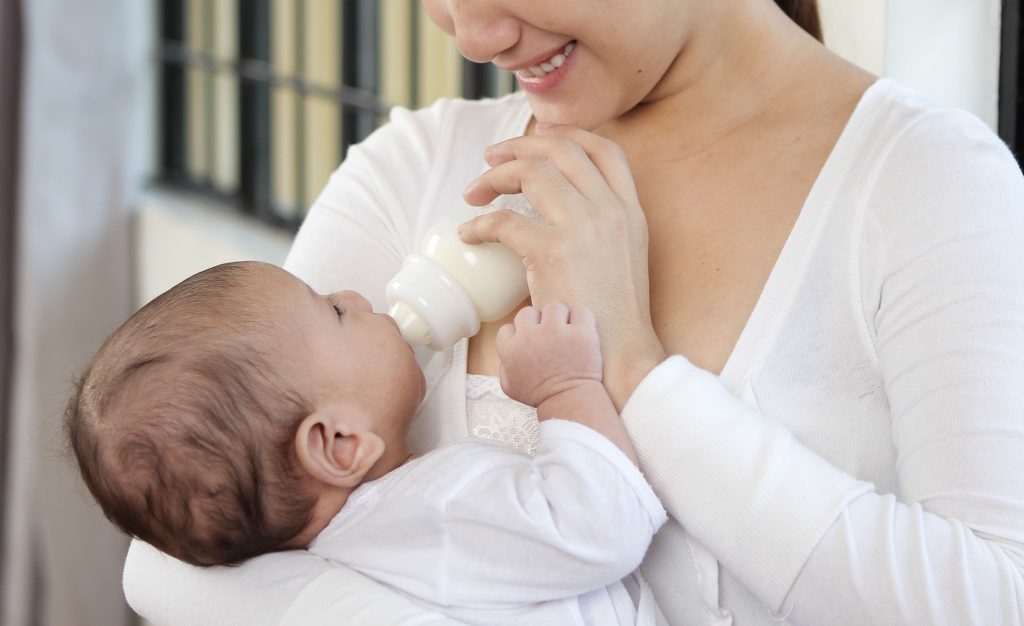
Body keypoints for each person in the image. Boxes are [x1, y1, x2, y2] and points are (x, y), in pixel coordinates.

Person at [123, 0, 1024, 624]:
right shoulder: (417, 171)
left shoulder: (921, 186)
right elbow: (176, 561)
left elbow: (994, 603)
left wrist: (635, 368)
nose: (473, 32)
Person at [68, 260, 668, 625]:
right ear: (338, 445)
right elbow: (602, 527)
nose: (355, 296)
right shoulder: (436, 511)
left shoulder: (337, 553)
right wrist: (565, 386)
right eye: (333, 312)